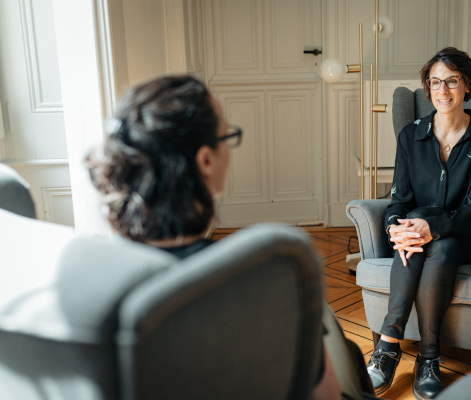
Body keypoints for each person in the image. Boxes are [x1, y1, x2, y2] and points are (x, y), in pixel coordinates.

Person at [85, 75, 375, 400]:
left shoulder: (85, 280)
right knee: (329, 326)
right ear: (206, 161)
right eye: (227, 136)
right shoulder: (273, 279)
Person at [365, 47, 471, 399]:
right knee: (427, 234)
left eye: (452, 81)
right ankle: (428, 357)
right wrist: (395, 226)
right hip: (427, 240)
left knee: (428, 226)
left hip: (469, 233)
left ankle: (387, 346)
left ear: (467, 85)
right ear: (428, 87)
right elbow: (399, 200)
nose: (443, 91)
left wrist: (426, 225)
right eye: (435, 82)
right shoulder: (410, 136)